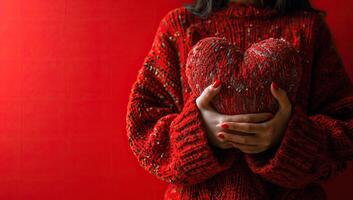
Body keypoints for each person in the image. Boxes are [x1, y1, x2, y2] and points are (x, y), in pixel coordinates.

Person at [125, 0, 353, 199]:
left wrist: (287, 136)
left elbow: (345, 126)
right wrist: (199, 132)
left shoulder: (309, 30)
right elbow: (143, 127)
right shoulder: (180, 27)